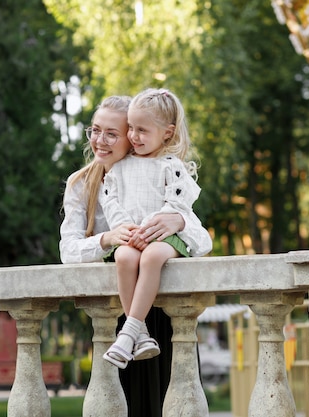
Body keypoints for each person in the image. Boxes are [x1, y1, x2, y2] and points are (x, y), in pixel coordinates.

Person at [59, 95, 209, 417]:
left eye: (112, 133)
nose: (100, 140)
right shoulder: (83, 185)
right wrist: (106, 238)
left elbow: (202, 239)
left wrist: (179, 220)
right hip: (117, 312)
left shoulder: (162, 176)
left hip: (166, 315)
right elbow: (68, 250)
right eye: (95, 130)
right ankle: (133, 332)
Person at [99, 88, 212, 371]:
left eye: (142, 130)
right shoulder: (121, 167)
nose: (134, 136)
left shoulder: (171, 166)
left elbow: (177, 205)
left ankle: (128, 332)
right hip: (131, 234)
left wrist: (149, 228)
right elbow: (109, 199)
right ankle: (142, 335)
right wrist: (125, 227)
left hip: (163, 236)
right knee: (124, 258)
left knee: (151, 258)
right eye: (131, 129)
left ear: (167, 132)